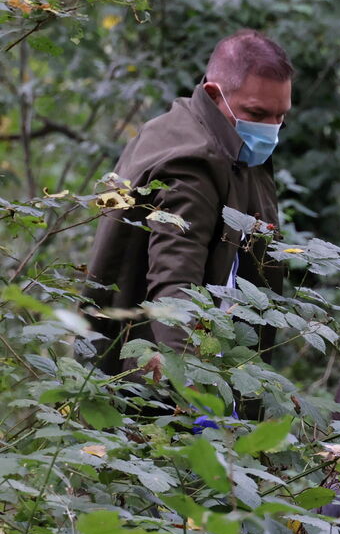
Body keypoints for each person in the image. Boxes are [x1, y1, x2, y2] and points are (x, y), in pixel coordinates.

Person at [85, 30, 293, 386]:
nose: (271, 129)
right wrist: (193, 392)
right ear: (215, 94)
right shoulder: (192, 164)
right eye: (257, 113)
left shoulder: (202, 131)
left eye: (280, 116)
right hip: (149, 389)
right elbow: (174, 287)